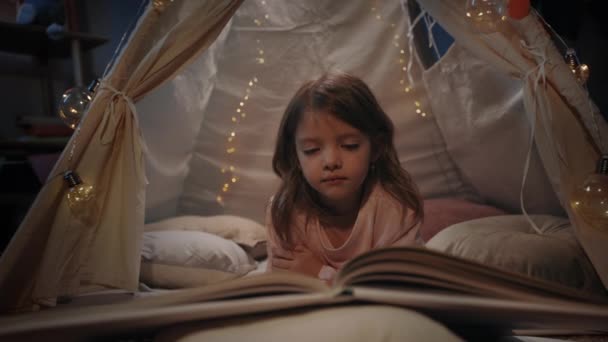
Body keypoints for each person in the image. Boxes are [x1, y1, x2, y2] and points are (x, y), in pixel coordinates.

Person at [266, 72, 423, 281]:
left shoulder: (395, 211)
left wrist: (320, 273)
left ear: (375, 147)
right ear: (295, 156)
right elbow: (279, 284)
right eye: (312, 150)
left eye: (350, 146)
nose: (331, 161)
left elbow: (400, 287)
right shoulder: (284, 213)